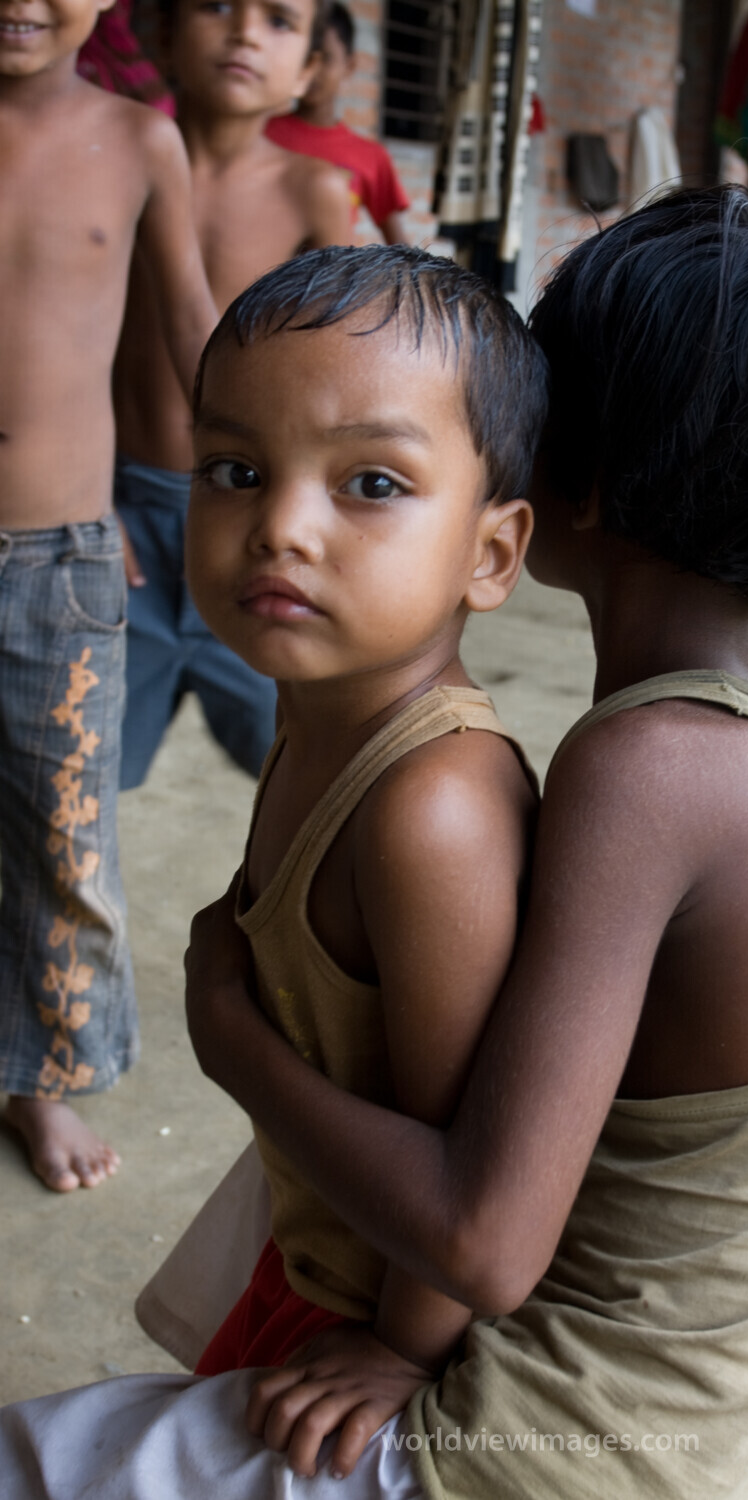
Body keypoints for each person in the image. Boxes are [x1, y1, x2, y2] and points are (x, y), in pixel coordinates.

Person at [6, 187, 748, 1500]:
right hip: (717, 1391)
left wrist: (227, 1031)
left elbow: (483, 1245)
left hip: (568, 1443)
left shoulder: (642, 773)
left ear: (549, 489)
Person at [0, 0, 216, 1193]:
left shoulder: (141, 142)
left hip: (59, 559)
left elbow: (187, 327)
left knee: (61, 834)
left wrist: (252, 479)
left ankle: (43, 1080)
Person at [113, 0, 353, 790]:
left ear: (312, 69)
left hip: (255, 516)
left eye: (280, 20)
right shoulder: (107, 160)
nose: (246, 32)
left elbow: (351, 363)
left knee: (306, 768)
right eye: (217, 7)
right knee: (79, 773)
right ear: (162, 36)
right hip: (118, 519)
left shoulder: (313, 191)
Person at [266, 2, 409, 245]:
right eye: (305, 57)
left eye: (326, 58)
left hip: (330, 281)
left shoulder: (371, 157)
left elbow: (401, 250)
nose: (313, 70)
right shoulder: (261, 134)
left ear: (349, 65)